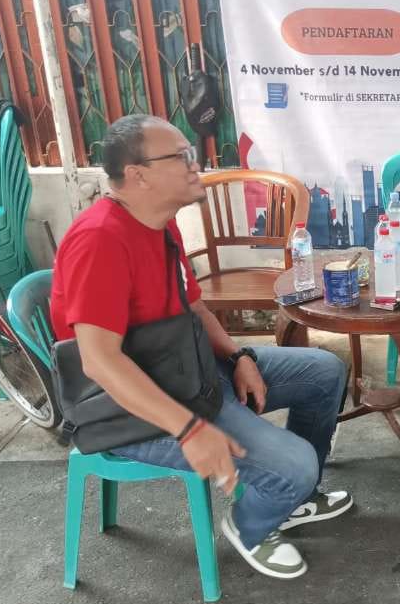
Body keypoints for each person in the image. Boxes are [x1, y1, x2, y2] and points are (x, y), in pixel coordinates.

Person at [50, 115, 352, 580]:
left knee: (324, 372)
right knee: (295, 464)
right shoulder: (100, 240)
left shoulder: (162, 225)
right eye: (181, 157)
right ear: (138, 174)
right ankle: (251, 527)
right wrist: (190, 430)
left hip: (189, 370)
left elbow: (193, 308)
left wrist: (238, 357)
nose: (197, 164)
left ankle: (290, 498)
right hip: (132, 408)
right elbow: (100, 362)